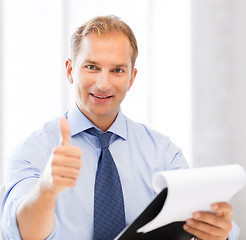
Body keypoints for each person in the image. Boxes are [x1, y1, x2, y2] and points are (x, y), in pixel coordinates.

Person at [1, 15, 239, 240]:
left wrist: (217, 231)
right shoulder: (32, 151)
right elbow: (22, 233)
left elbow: (195, 224)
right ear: (70, 70)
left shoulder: (164, 153)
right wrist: (47, 189)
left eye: (117, 70)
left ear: (131, 78)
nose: (103, 84)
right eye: (92, 67)